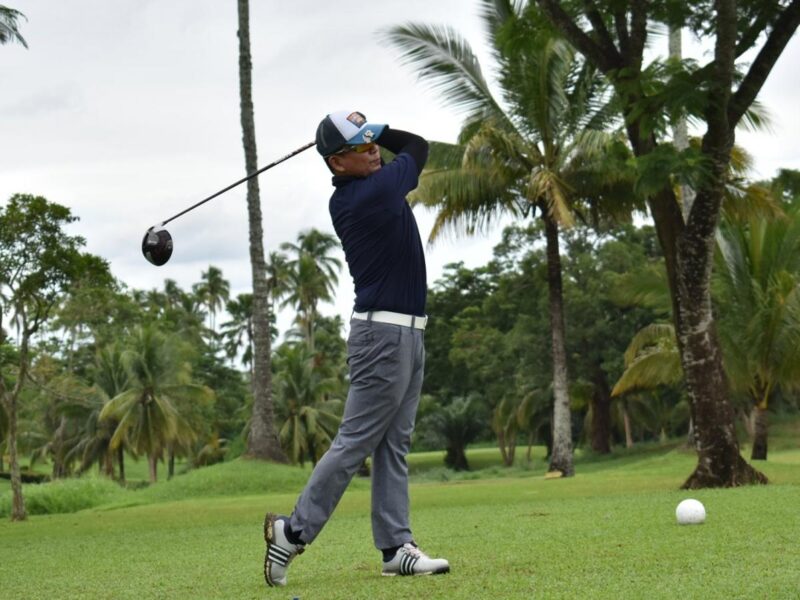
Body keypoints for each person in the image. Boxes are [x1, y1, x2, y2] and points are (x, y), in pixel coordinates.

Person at [263, 110, 450, 587]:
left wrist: (365, 132)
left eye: (372, 144)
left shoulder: (370, 183)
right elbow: (418, 147)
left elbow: (407, 149)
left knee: (395, 444)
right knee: (356, 441)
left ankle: (395, 547)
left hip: (410, 333)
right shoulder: (367, 195)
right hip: (381, 336)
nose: (373, 150)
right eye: (361, 146)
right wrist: (383, 130)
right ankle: (292, 531)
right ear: (337, 163)